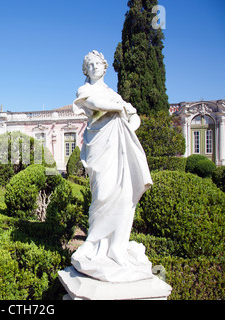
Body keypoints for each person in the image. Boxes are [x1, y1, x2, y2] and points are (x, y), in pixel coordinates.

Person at [71, 50, 153, 282]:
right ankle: (92, 243)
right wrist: (119, 109)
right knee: (103, 193)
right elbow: (96, 104)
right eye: (90, 64)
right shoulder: (85, 90)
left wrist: (128, 129)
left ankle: (116, 248)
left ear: (105, 67)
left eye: (98, 63)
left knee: (125, 194)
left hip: (119, 148)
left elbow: (134, 116)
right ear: (85, 69)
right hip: (99, 149)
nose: (95, 67)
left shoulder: (113, 94)